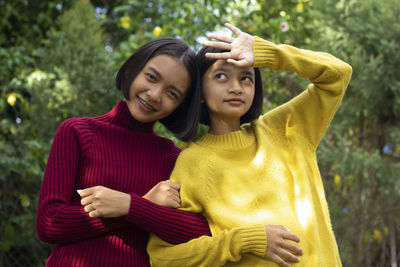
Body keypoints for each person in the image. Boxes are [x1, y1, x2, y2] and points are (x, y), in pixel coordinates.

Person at [146, 23, 352, 267]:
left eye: (246, 78)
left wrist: (268, 53)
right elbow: (163, 257)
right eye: (221, 76)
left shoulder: (286, 129)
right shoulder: (193, 162)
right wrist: (241, 241)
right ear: (200, 91)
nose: (236, 87)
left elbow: (338, 74)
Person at [36, 38, 211, 267]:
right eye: (151, 77)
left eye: (172, 94)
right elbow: (49, 222)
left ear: (180, 106)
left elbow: (201, 231)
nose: (155, 94)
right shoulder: (78, 132)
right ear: (133, 69)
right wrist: (143, 203)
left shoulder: (174, 158)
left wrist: (132, 206)